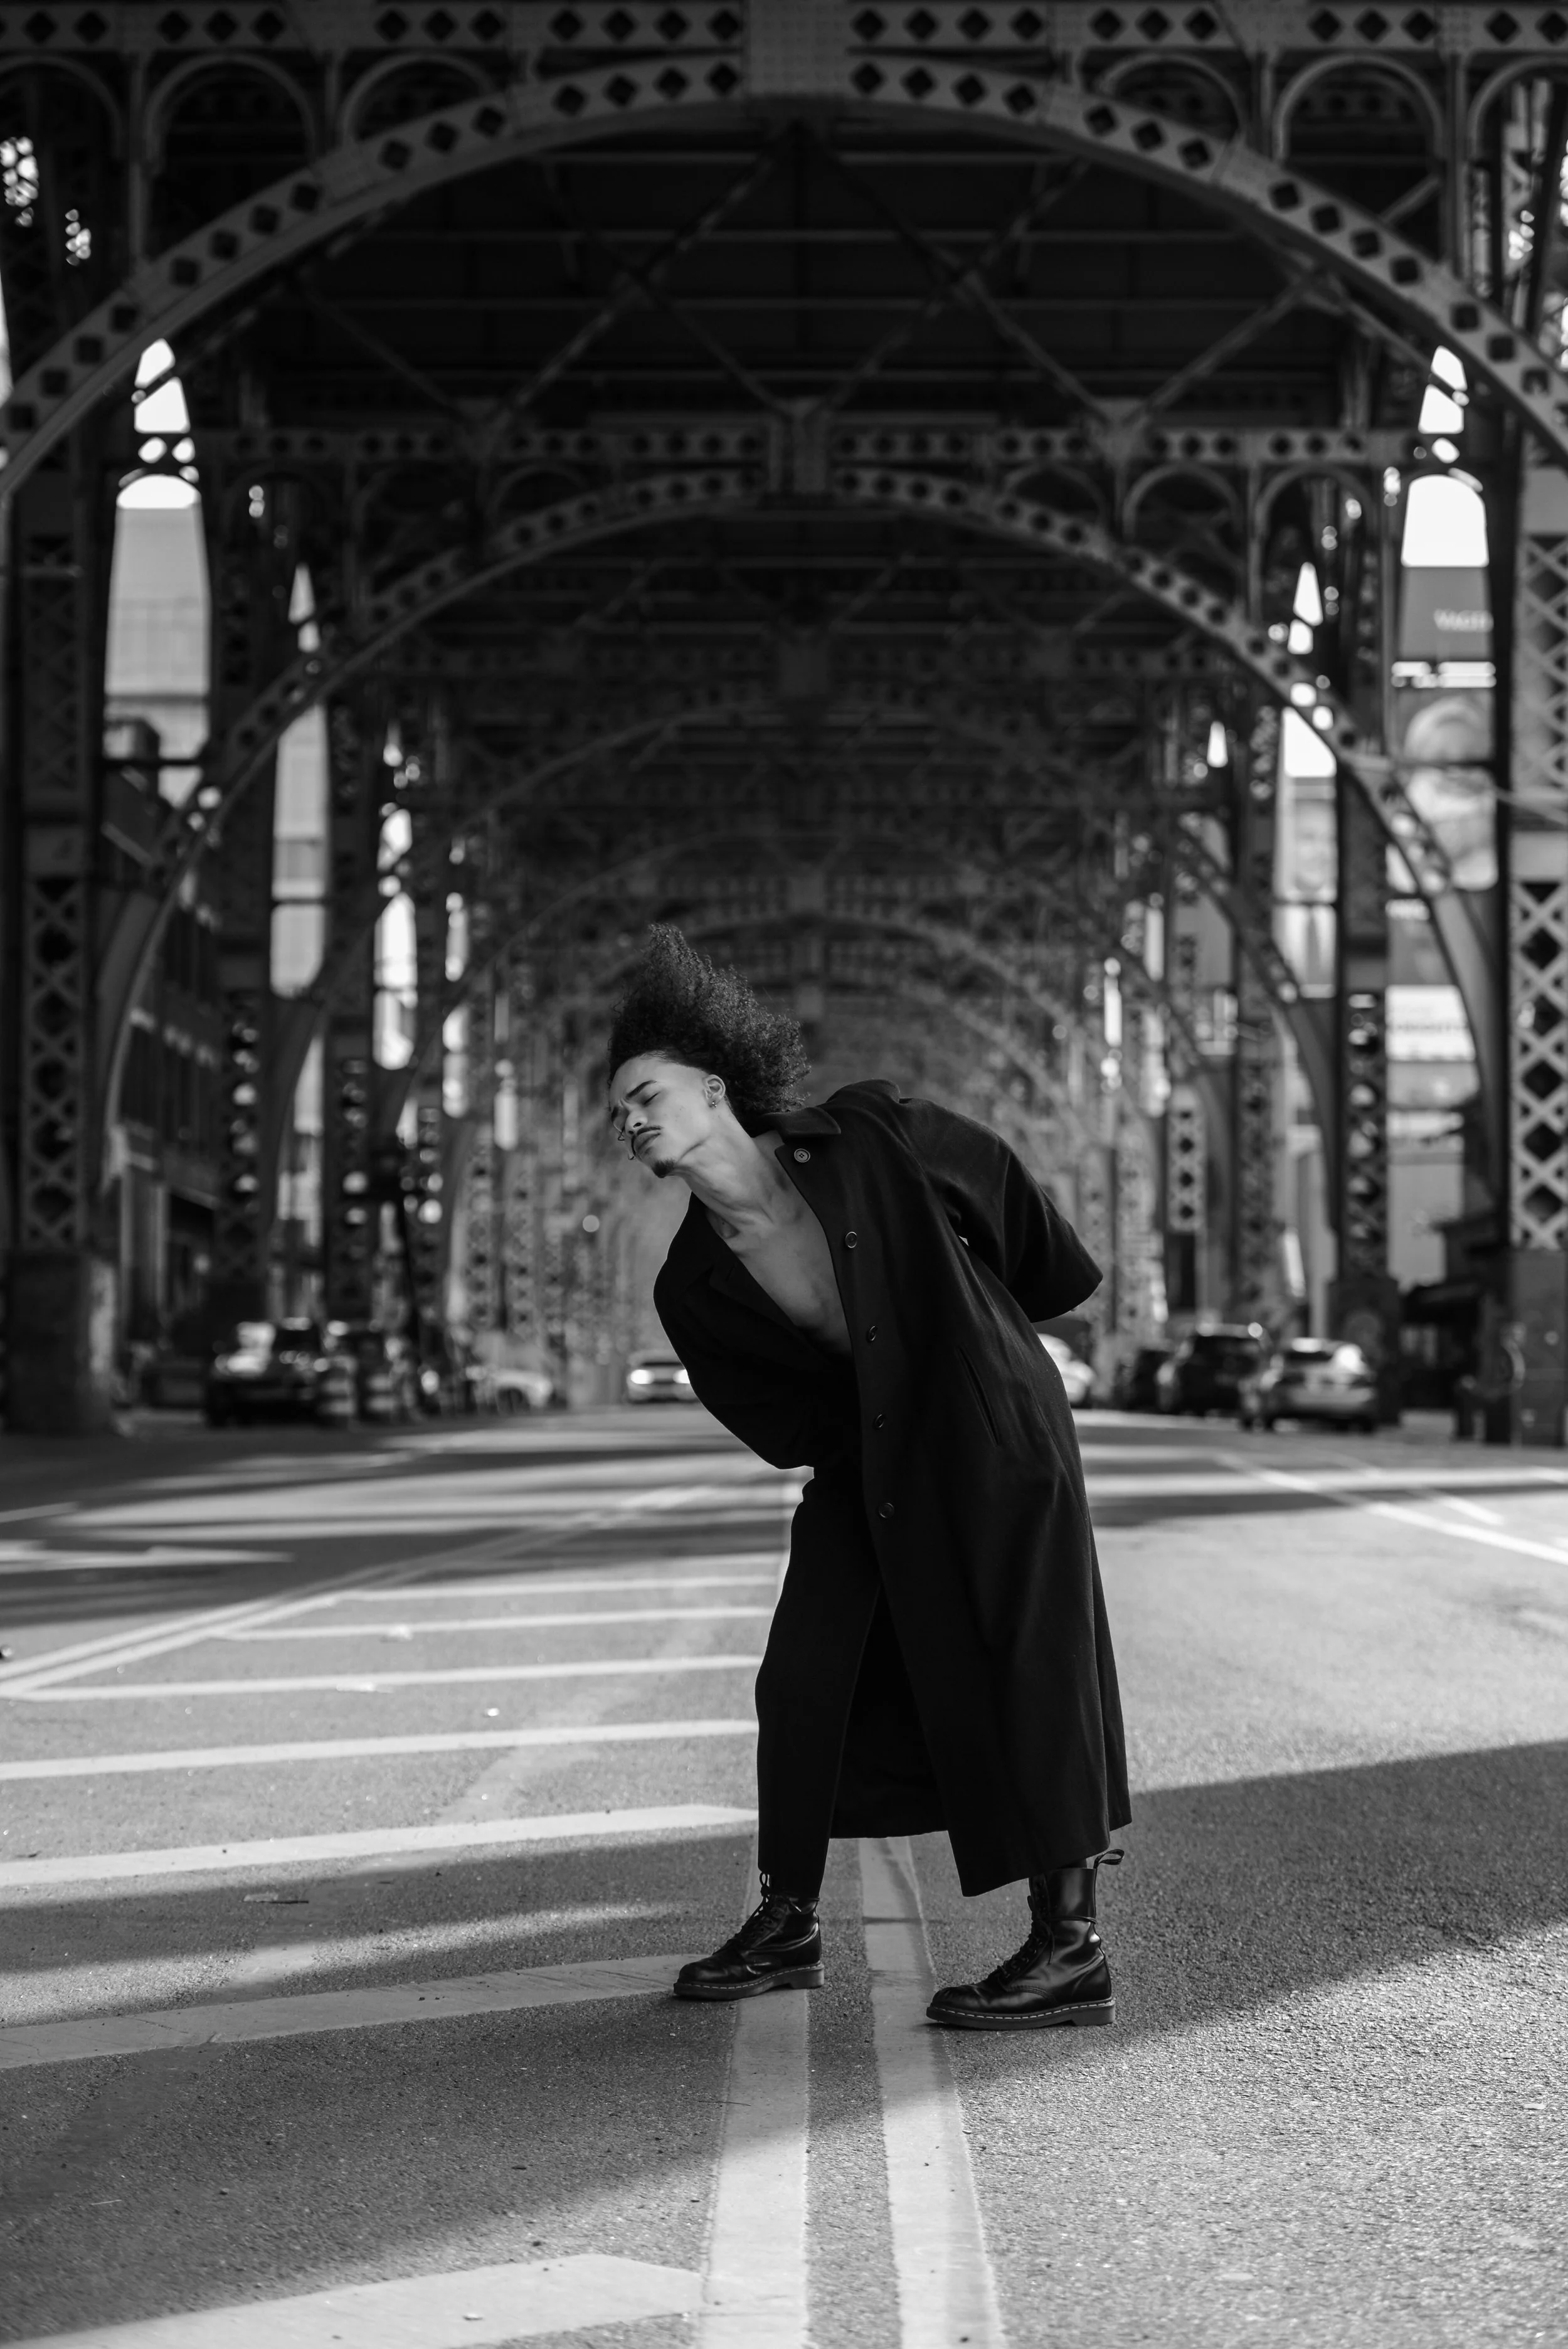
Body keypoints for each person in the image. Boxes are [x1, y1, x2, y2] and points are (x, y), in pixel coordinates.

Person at [606, 926, 1129, 2030]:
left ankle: (1070, 1945)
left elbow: (1024, 1229)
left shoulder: (871, 1134)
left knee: (1027, 1668)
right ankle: (787, 1918)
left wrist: (979, 1360)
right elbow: (780, 1422)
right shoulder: (691, 1286)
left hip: (991, 1439)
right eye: (621, 1114)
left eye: (648, 1093)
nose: (635, 1119)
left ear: (714, 1086)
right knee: (806, 1674)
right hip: (867, 1461)